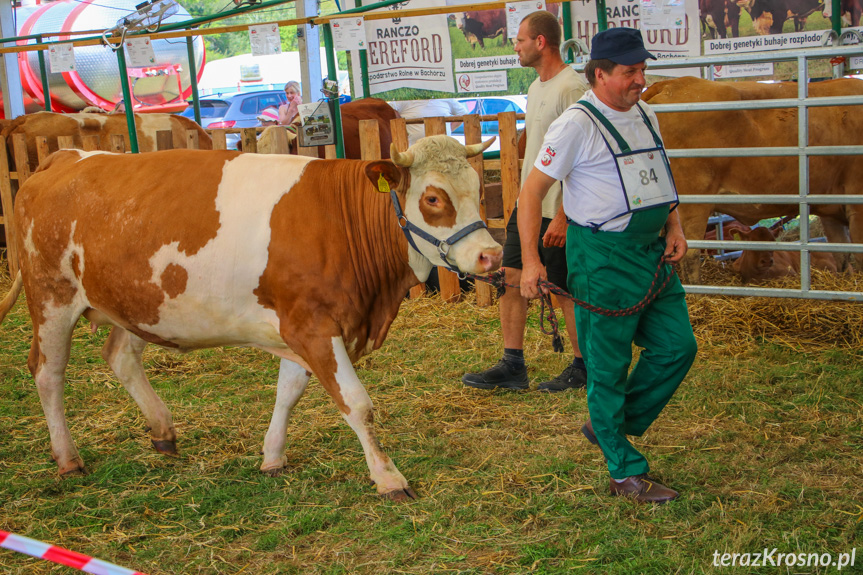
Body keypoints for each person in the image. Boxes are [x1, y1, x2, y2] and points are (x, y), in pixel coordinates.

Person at [517, 28, 698, 503]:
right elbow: (530, 193)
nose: (640, 79)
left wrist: (674, 226)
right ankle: (624, 473)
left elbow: (661, 177)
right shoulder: (576, 124)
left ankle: (610, 426)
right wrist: (532, 261)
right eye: (629, 71)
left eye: (642, 69)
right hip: (603, 257)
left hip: (652, 253)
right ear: (600, 74)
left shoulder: (647, 113)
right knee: (608, 367)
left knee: (678, 347)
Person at [461, 10, 589, 392]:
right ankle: (513, 364)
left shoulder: (572, 87)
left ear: (540, 42)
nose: (514, 46)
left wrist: (566, 213)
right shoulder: (535, 88)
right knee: (512, 279)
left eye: (519, 40)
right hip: (530, 205)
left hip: (561, 208)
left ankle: (583, 368)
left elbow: (583, 157)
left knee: (565, 289)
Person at [390, 98, 470, 146]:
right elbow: (388, 110)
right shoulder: (405, 99)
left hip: (443, 150)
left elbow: (463, 113)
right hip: (414, 152)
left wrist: (448, 129)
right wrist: (401, 129)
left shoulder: (444, 98)